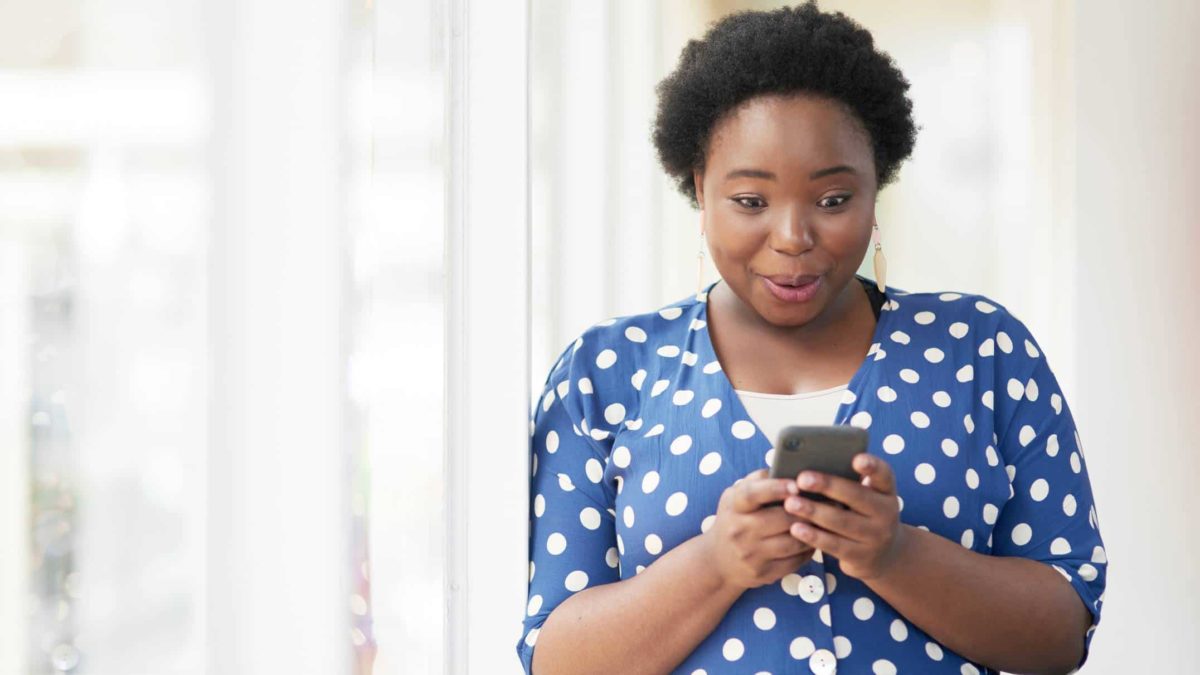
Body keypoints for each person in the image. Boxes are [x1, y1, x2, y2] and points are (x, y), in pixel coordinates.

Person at [516, 3, 1106, 673]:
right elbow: (556, 658)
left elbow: (1063, 631)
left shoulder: (985, 350)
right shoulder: (604, 374)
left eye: (832, 200)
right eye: (749, 201)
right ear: (698, 188)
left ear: (875, 188)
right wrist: (717, 563)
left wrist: (894, 553)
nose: (793, 238)